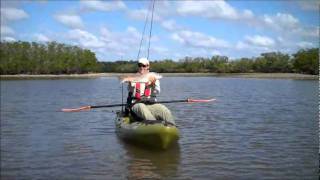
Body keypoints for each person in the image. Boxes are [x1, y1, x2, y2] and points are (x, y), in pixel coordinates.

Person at [125, 57, 175, 125]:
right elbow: (130, 90)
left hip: (151, 104)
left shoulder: (153, 77)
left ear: (148, 66)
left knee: (164, 110)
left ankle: (172, 126)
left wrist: (153, 84)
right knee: (141, 107)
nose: (142, 67)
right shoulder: (135, 76)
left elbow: (157, 91)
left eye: (144, 65)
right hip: (136, 104)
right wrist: (130, 83)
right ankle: (155, 125)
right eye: (140, 65)